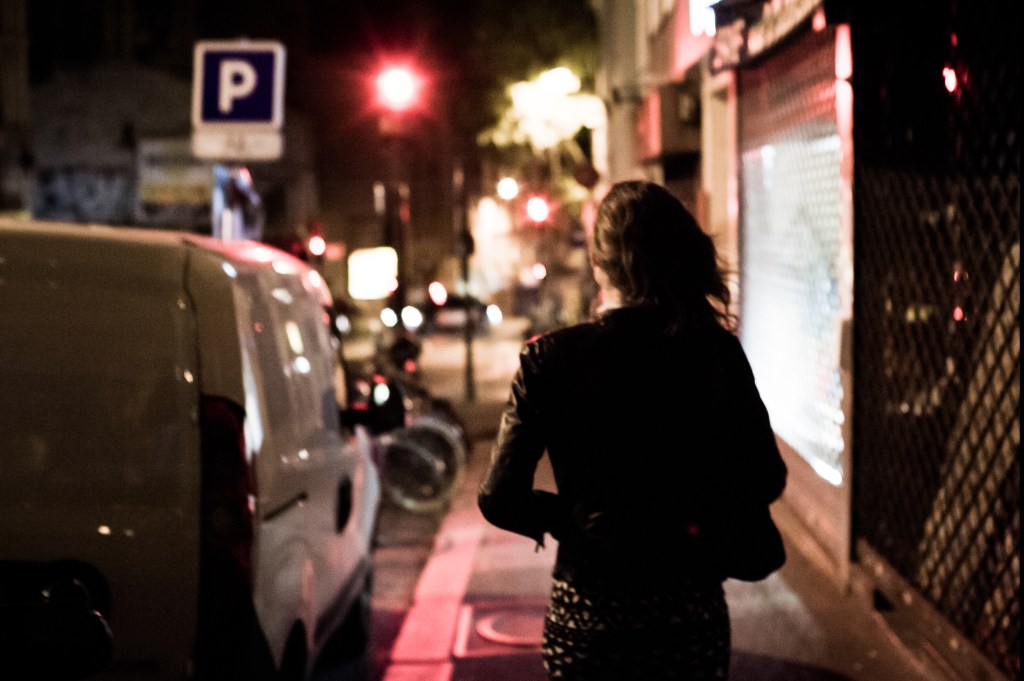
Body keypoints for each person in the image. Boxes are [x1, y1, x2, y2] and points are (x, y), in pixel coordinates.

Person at [478, 181, 787, 680]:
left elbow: (500, 497)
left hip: (589, 614)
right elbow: (766, 475)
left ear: (598, 267)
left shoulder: (549, 360)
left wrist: (572, 519)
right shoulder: (714, 352)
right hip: (686, 612)